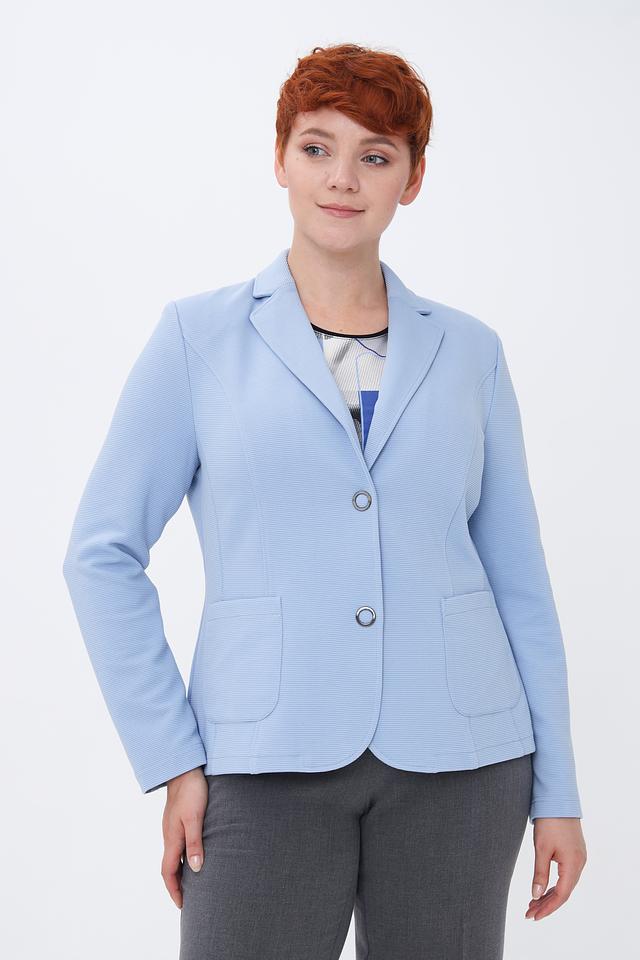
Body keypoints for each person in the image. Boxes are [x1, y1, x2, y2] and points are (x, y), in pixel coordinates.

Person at [62, 42, 587, 959]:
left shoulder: (471, 352)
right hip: (262, 759)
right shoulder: (196, 338)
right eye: (317, 148)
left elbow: (519, 580)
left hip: (463, 761)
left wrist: (559, 791)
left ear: (411, 180)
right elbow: (100, 554)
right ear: (280, 159)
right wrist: (173, 757)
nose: (343, 178)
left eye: (375, 155)